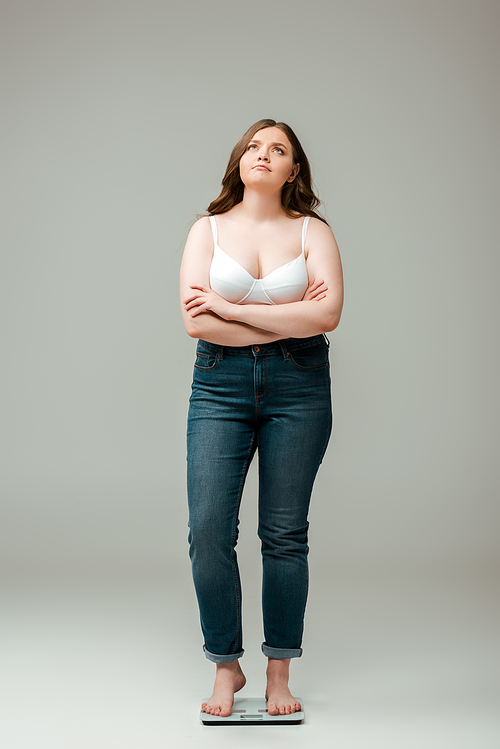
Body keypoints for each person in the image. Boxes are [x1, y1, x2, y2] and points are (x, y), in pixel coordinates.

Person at [179, 118, 344, 718]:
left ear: (294, 169)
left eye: (278, 149)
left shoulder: (312, 231)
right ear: (239, 161)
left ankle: (279, 671)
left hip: (298, 387)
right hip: (218, 385)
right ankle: (226, 665)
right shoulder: (208, 229)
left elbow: (327, 317)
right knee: (208, 532)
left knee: (283, 535)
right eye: (254, 146)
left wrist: (227, 304)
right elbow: (196, 323)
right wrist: (286, 313)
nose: (264, 155)